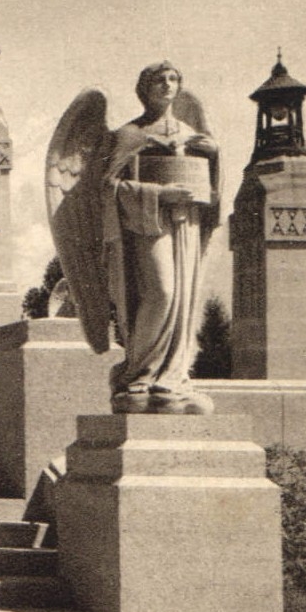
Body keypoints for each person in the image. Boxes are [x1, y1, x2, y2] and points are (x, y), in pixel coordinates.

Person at [103, 61, 219, 413]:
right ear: (144, 88)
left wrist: (214, 158)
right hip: (147, 222)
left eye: (173, 79)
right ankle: (139, 373)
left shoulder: (190, 133)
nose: (167, 85)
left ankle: (173, 378)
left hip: (187, 222)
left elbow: (212, 193)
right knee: (162, 292)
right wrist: (159, 194)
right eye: (159, 80)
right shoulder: (129, 135)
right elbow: (108, 187)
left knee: (183, 297)